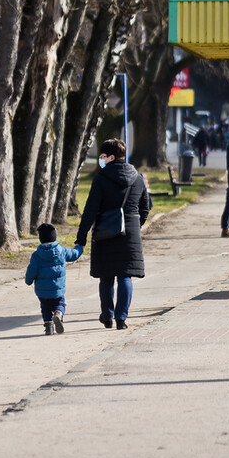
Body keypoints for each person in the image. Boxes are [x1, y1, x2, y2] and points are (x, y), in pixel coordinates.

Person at [75, 139, 150, 330]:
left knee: (106, 277)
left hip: (105, 232)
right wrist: (135, 225)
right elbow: (146, 207)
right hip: (130, 234)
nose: (101, 160)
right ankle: (121, 318)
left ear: (111, 157)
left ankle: (107, 315)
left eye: (102, 157)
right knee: (126, 276)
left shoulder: (101, 179)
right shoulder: (138, 178)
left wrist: (81, 237)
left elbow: (90, 210)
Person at [25, 223, 84, 335]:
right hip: (58, 289)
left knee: (45, 307)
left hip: (42, 291)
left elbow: (31, 270)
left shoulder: (37, 255)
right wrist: (80, 247)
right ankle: (58, 313)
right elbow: (74, 254)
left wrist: (28, 281)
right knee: (60, 304)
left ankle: (48, 327)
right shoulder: (61, 251)